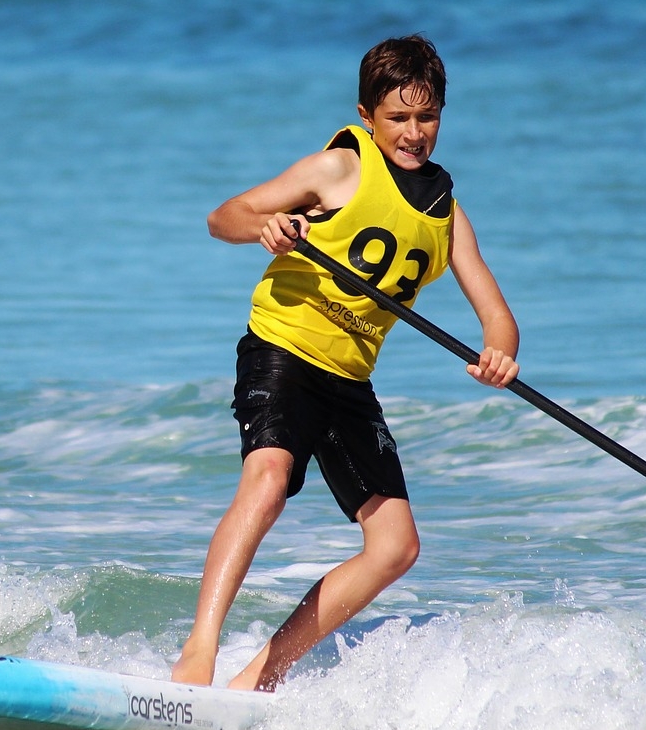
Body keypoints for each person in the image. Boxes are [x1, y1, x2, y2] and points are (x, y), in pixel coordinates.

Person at [171, 34, 520, 692]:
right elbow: (225, 216)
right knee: (268, 480)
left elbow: (496, 313)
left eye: (427, 117)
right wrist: (266, 228)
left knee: (396, 547)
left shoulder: (446, 217)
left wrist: (501, 352)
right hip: (282, 348)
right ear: (367, 116)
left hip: (348, 380)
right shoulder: (341, 169)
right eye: (398, 118)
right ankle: (198, 652)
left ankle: (262, 676)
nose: (414, 133)